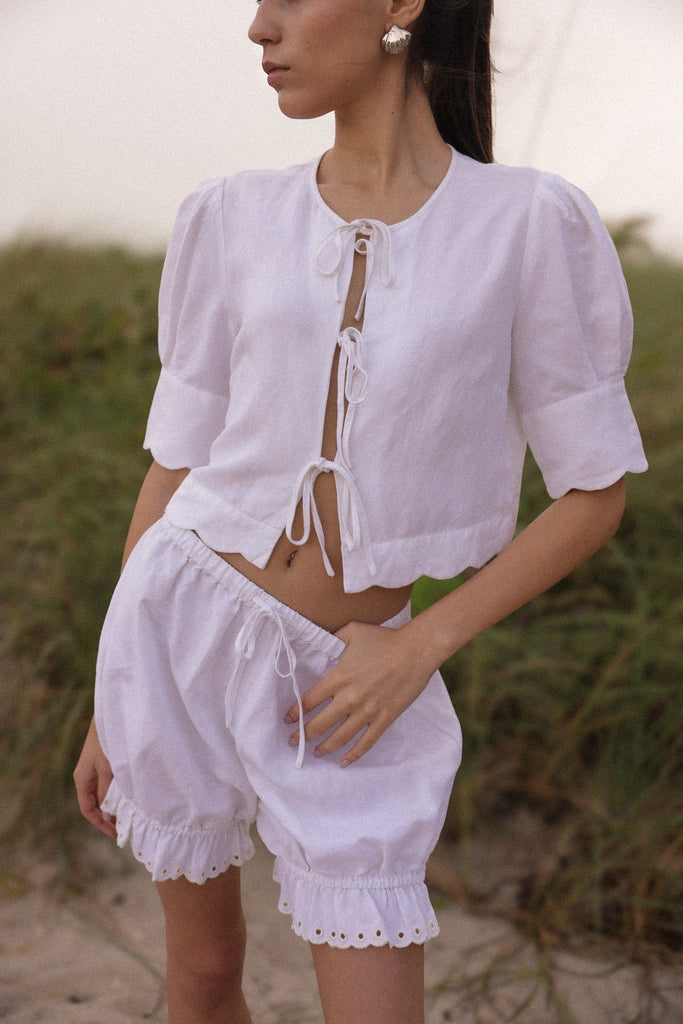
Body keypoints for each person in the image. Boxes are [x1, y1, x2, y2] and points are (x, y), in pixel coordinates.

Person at [73, 1, 648, 1022]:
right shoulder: (228, 215)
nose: (261, 27)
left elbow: (592, 491)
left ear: (399, 5)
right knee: (202, 978)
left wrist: (418, 643)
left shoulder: (525, 222)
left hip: (357, 675)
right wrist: (114, 689)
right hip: (177, 617)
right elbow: (175, 465)